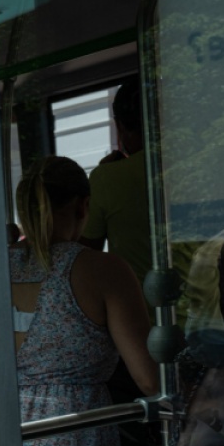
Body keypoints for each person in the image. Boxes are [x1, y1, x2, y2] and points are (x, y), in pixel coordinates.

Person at [11, 156, 159, 446]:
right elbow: (149, 378)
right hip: (81, 438)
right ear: (83, 206)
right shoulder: (102, 269)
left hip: (12, 438)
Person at [82, 77, 153, 291]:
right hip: (206, 310)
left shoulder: (106, 178)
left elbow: (85, 255)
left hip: (138, 310)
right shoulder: (197, 169)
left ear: (120, 126)